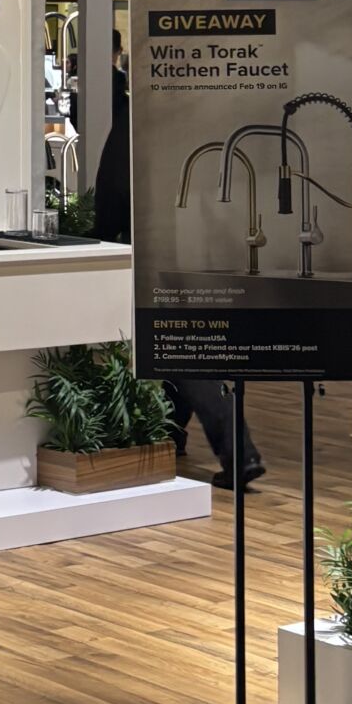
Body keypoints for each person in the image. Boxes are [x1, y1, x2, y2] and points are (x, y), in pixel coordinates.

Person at [92, 85, 264, 489]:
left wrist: (102, 234)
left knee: (182, 348)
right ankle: (173, 432)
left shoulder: (141, 108)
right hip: (215, 248)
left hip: (162, 246)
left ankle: (239, 452)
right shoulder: (214, 103)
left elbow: (115, 180)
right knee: (186, 343)